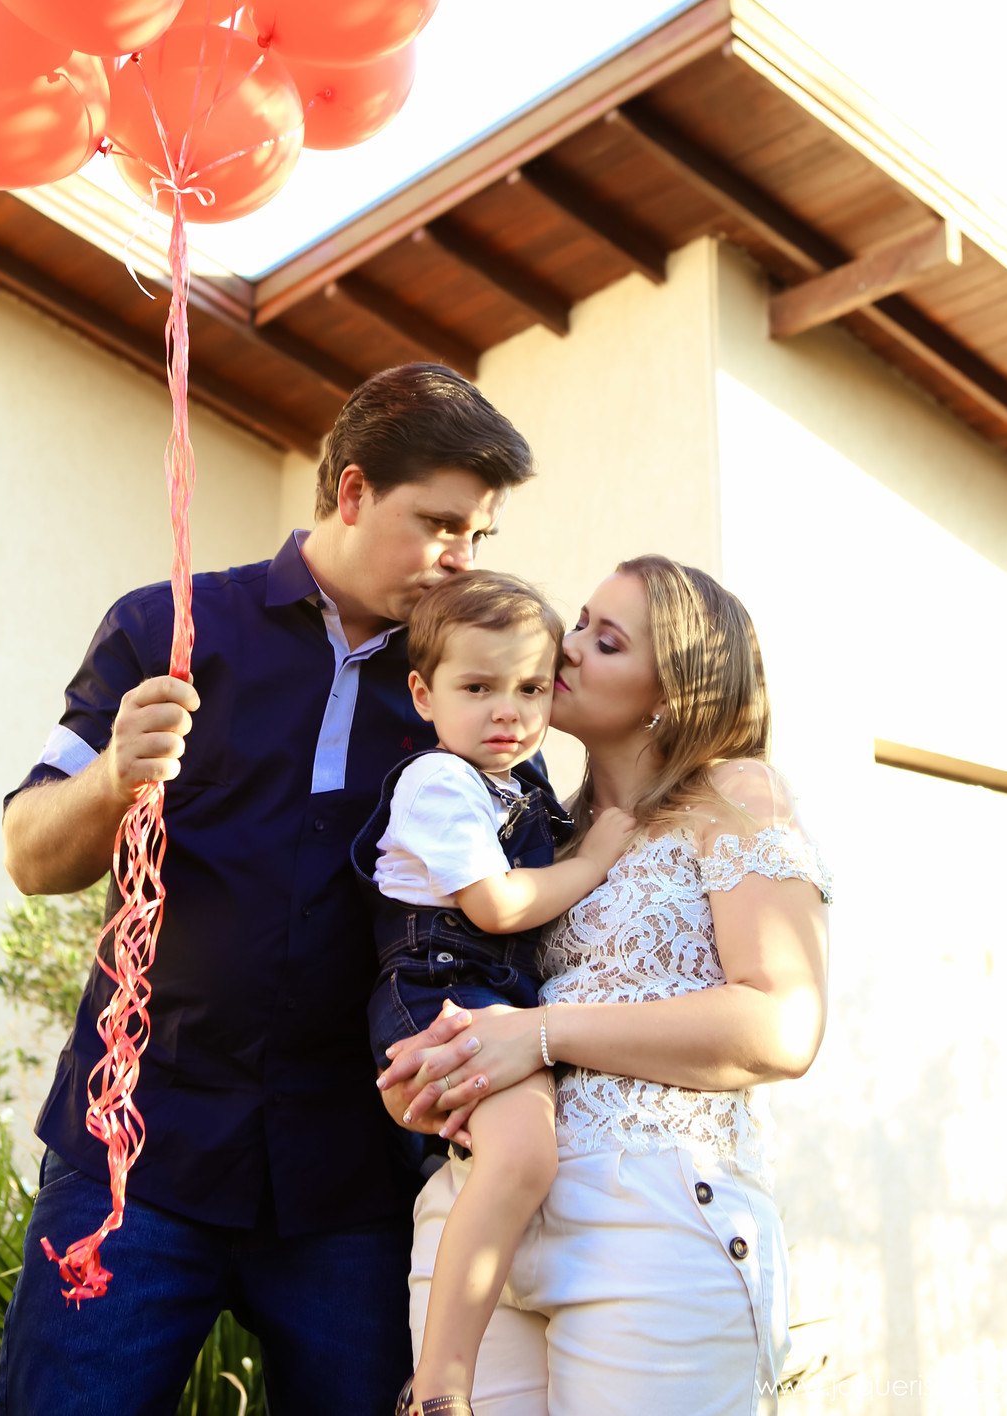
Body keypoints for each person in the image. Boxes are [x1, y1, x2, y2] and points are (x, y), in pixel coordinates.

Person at [0, 363, 541, 1416]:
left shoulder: (468, 673)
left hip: (354, 1180)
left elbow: (527, 874)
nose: (460, 562)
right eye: (439, 527)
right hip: (133, 1156)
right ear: (349, 492)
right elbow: (29, 854)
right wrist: (115, 777)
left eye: (478, 537)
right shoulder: (165, 625)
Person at [378, 556, 833, 1416]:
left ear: (673, 691)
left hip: (649, 1216)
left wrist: (542, 1035)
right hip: (476, 1216)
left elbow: (784, 1023)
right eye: (581, 622)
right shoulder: (534, 822)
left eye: (607, 640)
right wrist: (438, 1083)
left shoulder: (737, 797)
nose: (569, 647)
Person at [351, 571, 636, 1416]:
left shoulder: (518, 785)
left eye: (530, 687)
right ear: (423, 694)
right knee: (523, 1155)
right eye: (477, 688)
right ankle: (437, 1391)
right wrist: (593, 862)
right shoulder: (437, 783)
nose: (508, 711)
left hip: (483, 989)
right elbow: (497, 903)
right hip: (441, 985)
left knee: (515, 1156)